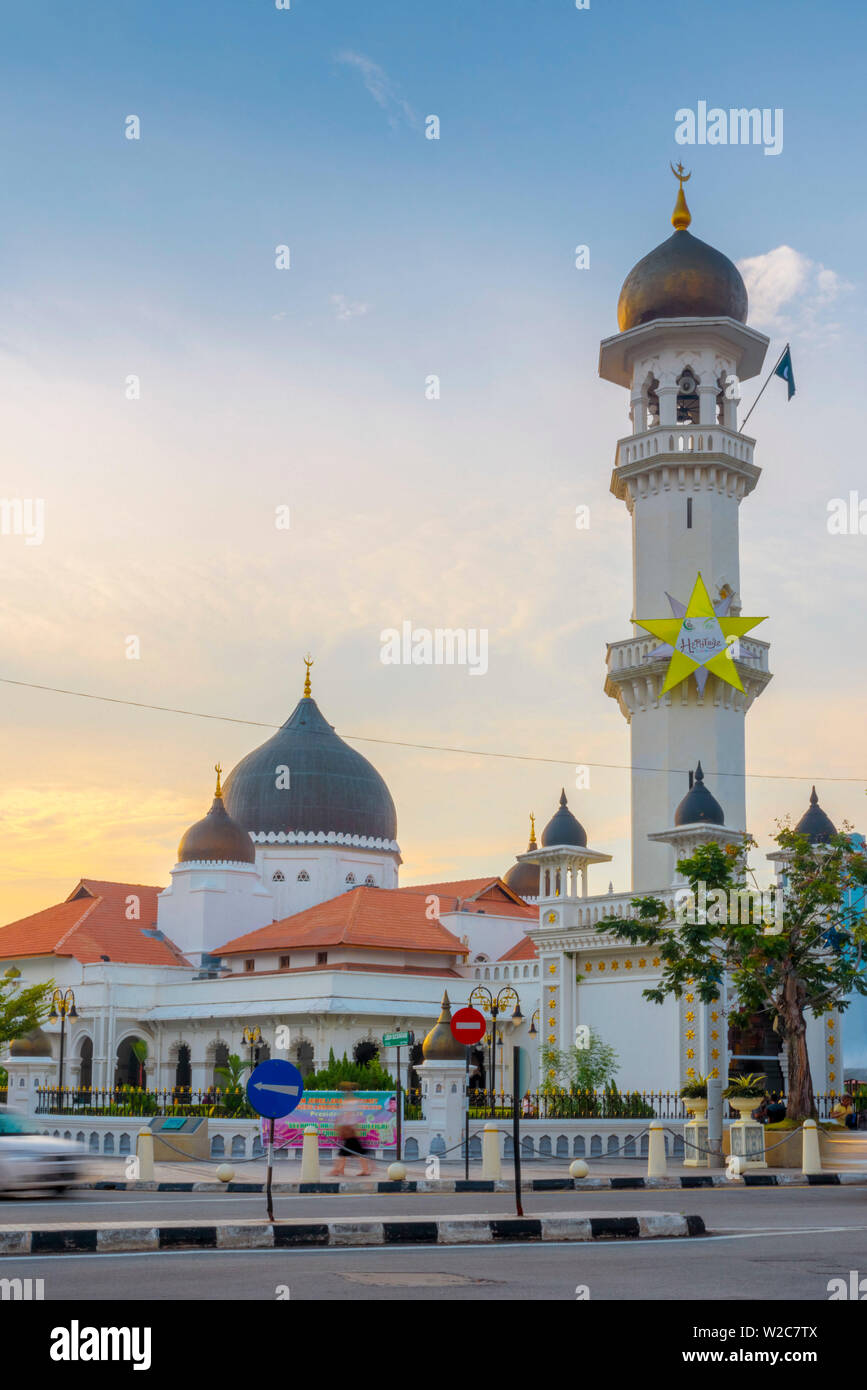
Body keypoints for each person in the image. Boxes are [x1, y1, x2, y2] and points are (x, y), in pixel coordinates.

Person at [328, 1084, 374, 1177]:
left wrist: (341, 1125)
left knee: (348, 1152)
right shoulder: (351, 1102)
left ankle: (340, 1169)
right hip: (350, 1130)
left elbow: (348, 1115)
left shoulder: (350, 1102)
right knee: (349, 1152)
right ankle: (341, 1169)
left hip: (350, 1130)